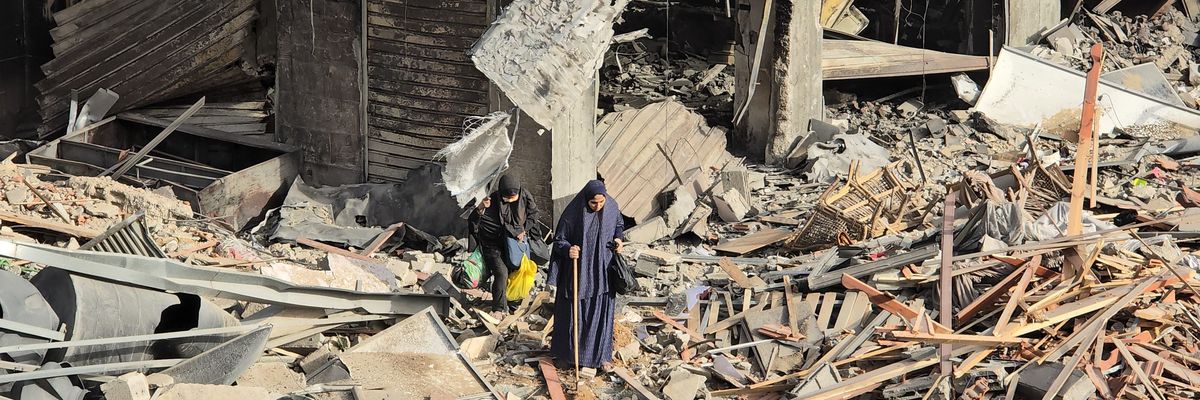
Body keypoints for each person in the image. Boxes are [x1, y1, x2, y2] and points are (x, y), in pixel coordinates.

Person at [548, 180, 624, 371]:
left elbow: (618, 225)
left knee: (601, 316)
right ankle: (567, 356)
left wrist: (618, 238)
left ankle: (601, 358)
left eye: (601, 202)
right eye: (593, 203)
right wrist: (568, 250)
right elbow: (559, 240)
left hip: (603, 272)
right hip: (578, 273)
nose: (598, 207)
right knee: (572, 315)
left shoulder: (612, 207)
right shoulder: (573, 213)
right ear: (586, 200)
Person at [468, 175, 539, 319]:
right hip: (493, 244)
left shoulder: (524, 196)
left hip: (514, 244)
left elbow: (533, 214)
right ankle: (498, 308)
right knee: (501, 273)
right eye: (507, 198)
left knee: (516, 270)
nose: (511, 200)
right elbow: (474, 222)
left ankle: (512, 304)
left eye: (514, 197)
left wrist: (523, 229)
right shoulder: (492, 201)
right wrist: (481, 208)